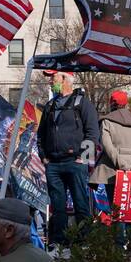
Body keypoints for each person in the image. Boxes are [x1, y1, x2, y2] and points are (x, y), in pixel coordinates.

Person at [36, 70, 100, 250]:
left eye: (53, 76)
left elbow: (93, 133)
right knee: (57, 207)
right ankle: (59, 242)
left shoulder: (82, 103)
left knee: (81, 204)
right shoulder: (50, 105)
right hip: (53, 164)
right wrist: (44, 157)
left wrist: (84, 158)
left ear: (64, 78)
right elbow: (40, 135)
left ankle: (84, 242)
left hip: (75, 162)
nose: (50, 80)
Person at [90, 90, 131, 252]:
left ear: (111, 104)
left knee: (116, 210)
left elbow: (107, 146)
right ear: (127, 104)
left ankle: (118, 245)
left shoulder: (107, 122)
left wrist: (121, 165)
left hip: (112, 171)